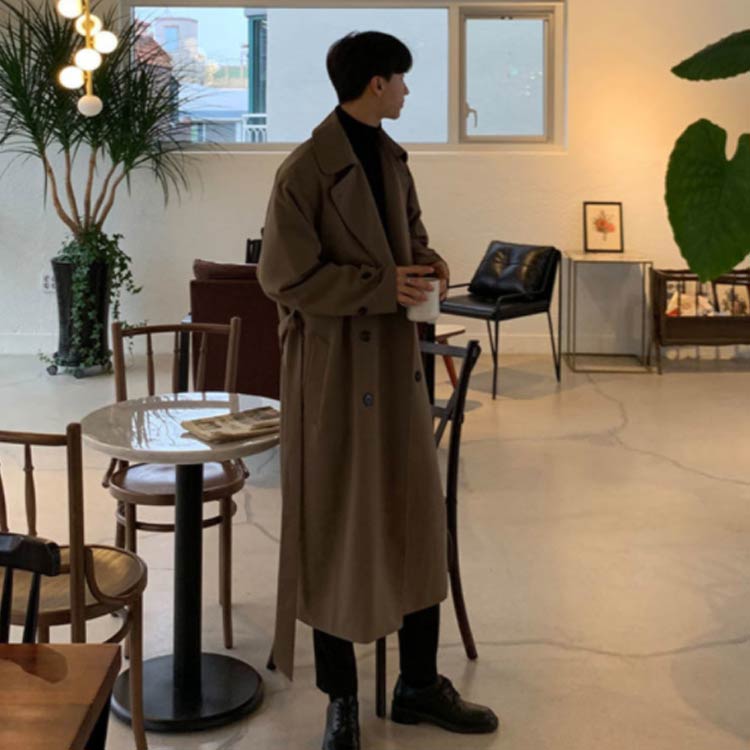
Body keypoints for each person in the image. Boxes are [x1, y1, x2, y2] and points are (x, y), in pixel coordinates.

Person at [258, 30, 498, 750]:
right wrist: (380, 285)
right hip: (332, 374)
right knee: (334, 526)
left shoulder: (393, 159)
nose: (407, 90)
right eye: (401, 79)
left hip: (395, 367)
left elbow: (410, 240)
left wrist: (428, 264)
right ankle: (341, 698)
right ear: (375, 84)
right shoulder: (304, 170)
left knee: (413, 517)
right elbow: (283, 277)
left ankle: (417, 683)